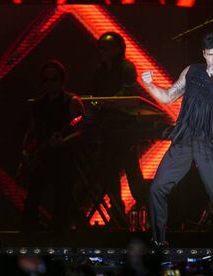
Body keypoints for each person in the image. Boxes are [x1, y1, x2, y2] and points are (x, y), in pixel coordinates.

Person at [141, 32, 213, 248]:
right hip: (185, 137)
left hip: (210, 142)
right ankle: (158, 242)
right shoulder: (192, 71)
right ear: (203, 55)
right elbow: (169, 96)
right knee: (157, 188)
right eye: (209, 54)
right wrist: (150, 85)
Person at [21, 60, 85, 232]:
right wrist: (26, 150)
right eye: (46, 80)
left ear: (62, 80)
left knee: (62, 197)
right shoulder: (38, 103)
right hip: (42, 155)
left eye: (54, 79)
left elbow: (80, 130)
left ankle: (59, 231)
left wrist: (63, 141)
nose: (50, 84)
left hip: (63, 156)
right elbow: (32, 130)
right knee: (33, 196)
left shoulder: (72, 101)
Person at [90, 32, 147, 218]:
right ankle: (117, 213)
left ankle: (145, 209)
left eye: (106, 47)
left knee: (132, 171)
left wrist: (107, 102)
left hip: (124, 128)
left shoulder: (126, 67)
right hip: (106, 128)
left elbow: (127, 92)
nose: (102, 51)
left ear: (118, 48)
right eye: (101, 48)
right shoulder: (98, 72)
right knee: (109, 172)